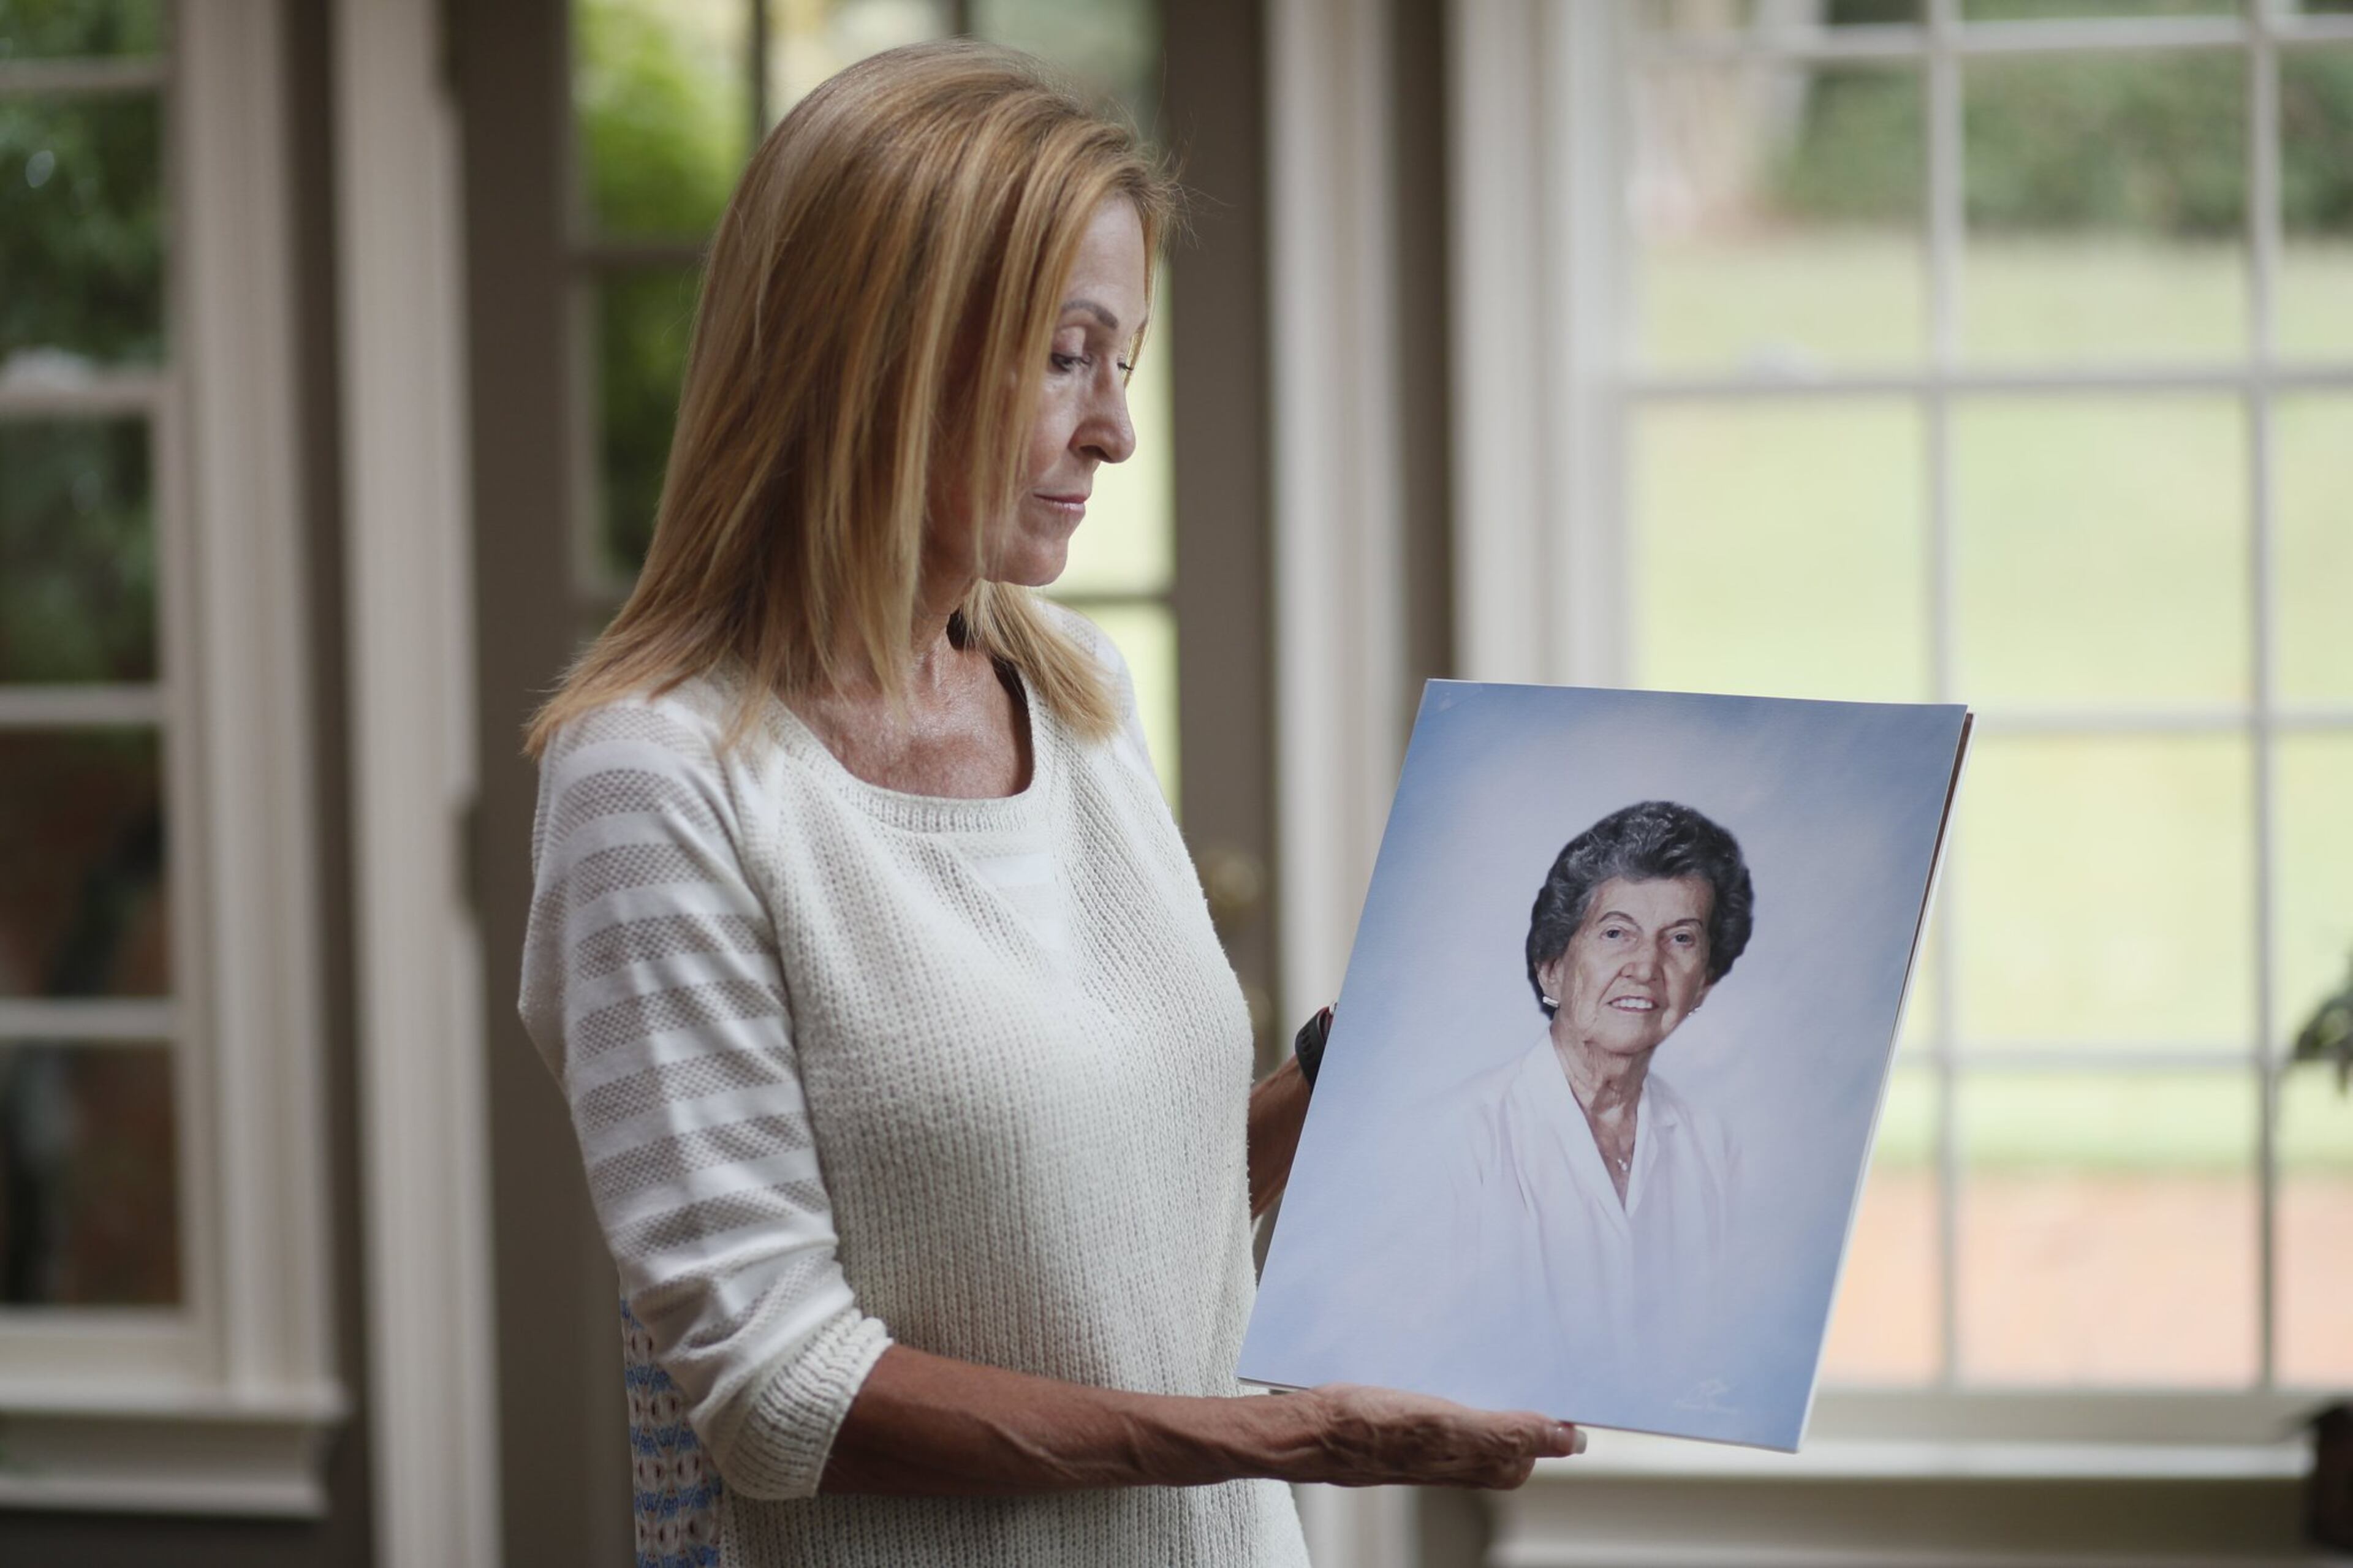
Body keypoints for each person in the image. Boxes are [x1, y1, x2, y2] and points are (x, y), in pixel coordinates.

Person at [517, 39, 1580, 1567]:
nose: (1115, 430)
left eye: (1123, 362)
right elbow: (779, 1394)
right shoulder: (655, 784)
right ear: (876, 351)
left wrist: (1350, 1069)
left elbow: (1132, 1222)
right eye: (1068, 356)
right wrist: (1290, 1435)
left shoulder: (1077, 689)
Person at [1423, 801, 1756, 1422]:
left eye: (1681, 939)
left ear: (1703, 984)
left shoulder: (1716, 1146)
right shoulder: (1457, 1137)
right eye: (1616, 933)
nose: (1647, 967)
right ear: (1552, 969)